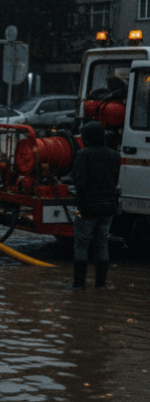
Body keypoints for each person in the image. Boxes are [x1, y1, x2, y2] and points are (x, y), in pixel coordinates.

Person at [72, 121, 121, 290]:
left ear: (87, 137)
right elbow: (114, 181)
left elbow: (80, 182)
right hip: (108, 207)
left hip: (88, 208)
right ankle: (101, 285)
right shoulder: (115, 155)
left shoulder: (82, 155)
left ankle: (79, 285)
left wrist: (79, 202)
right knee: (101, 244)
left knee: (81, 244)